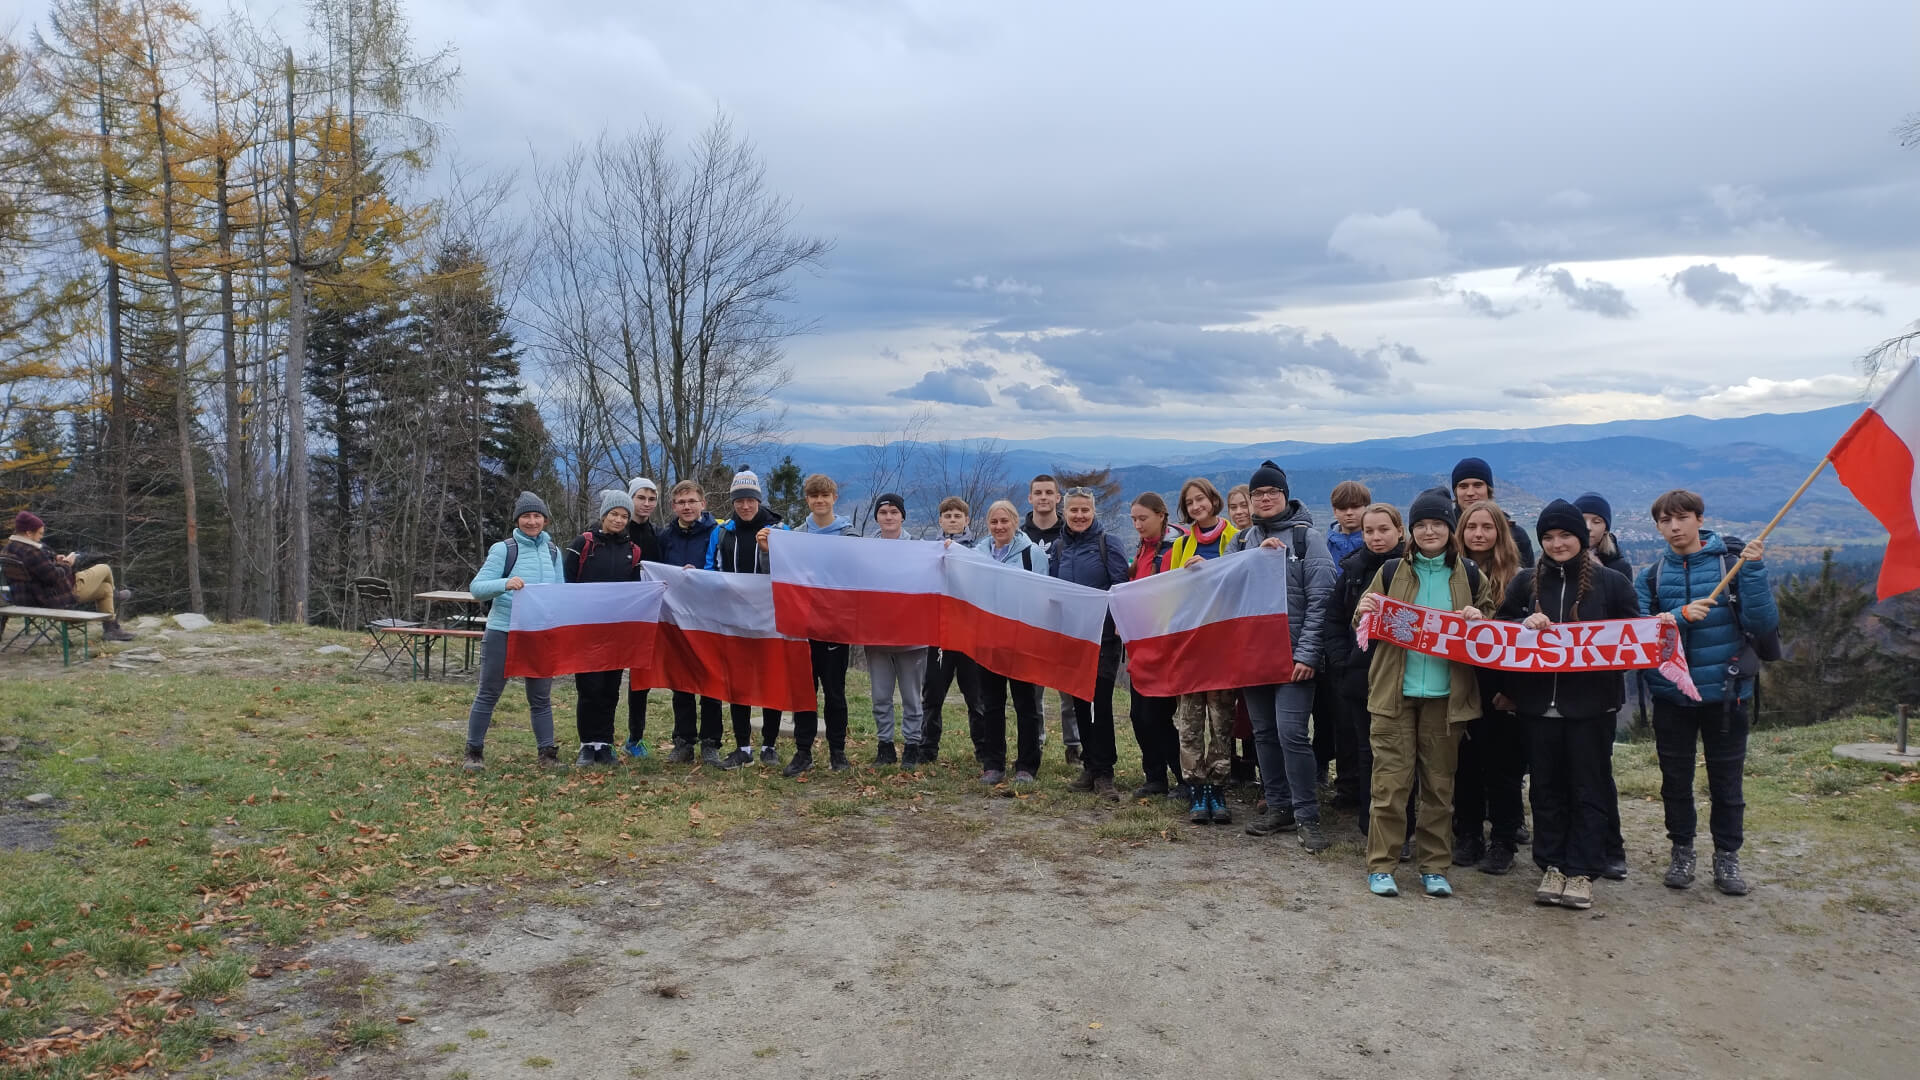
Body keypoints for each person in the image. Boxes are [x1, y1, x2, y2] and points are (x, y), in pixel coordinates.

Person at [1498, 500, 1642, 911]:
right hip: (1538, 708)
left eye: (1565, 535)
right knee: (1545, 788)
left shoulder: (1611, 583)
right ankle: (1552, 864)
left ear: (1581, 537)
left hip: (1591, 709)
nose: (1557, 543)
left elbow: (1631, 640)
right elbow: (1502, 634)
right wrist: (1523, 628)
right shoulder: (1526, 582)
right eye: (1548, 537)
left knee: (1588, 787)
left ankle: (1582, 870)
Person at [1352, 487, 1496, 898]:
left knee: (1439, 788)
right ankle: (1382, 864)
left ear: (1450, 530)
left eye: (1437, 524)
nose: (1430, 530)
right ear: (1411, 531)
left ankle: (1435, 867)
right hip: (1393, 693)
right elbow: (1361, 619)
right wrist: (1364, 611)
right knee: (1390, 786)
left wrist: (1476, 617)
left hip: (1446, 697)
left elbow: (1489, 625)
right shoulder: (1389, 571)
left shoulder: (1469, 575)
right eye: (1421, 525)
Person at [1635, 489, 1777, 897]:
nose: (1674, 527)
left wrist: (1752, 571)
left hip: (1725, 693)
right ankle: (1682, 851)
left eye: (1682, 517)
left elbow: (1763, 622)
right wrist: (1679, 616)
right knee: (1675, 780)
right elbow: (1640, 634)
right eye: (1665, 520)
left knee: (1726, 783)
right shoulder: (1651, 577)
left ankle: (1727, 856)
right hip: (1671, 696)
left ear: (1700, 518)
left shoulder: (1730, 566)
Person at [1218, 461, 1336, 853]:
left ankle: (1307, 814)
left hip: (1293, 659)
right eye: (1258, 494)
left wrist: (1308, 655)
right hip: (1255, 657)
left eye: (1272, 492)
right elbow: (1225, 592)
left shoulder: (1307, 540)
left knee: (1292, 735)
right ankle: (1279, 805)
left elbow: (1322, 602)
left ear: (1285, 496)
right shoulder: (1241, 542)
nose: (1265, 499)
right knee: (1264, 734)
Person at [463, 491, 565, 771]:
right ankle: (474, 752)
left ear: (545, 519)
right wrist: (505, 583)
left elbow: (560, 592)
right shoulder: (504, 549)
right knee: (488, 693)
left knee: (541, 698)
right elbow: (477, 588)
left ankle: (547, 754)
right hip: (503, 630)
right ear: (517, 519)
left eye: (537, 516)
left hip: (539, 634)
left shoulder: (553, 551)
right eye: (526, 516)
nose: (532, 522)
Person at [1452, 500, 1528, 874]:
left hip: (1499, 690)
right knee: (1463, 764)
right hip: (1457, 685)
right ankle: (1467, 834)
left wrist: (1511, 690)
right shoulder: (1450, 575)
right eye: (1471, 527)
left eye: (1486, 527)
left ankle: (1503, 840)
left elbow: (1525, 644)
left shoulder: (1521, 579)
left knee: (1502, 768)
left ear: (1500, 533)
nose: (1478, 534)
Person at [1325, 502, 1404, 831]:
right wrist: (1343, 662)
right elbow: (1334, 619)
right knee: (1366, 748)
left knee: (1400, 751)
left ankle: (1401, 821)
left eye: (1384, 530)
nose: (1376, 537)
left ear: (1400, 531)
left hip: (1403, 677)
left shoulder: (1413, 570)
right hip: (1360, 676)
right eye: (1369, 531)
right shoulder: (1353, 570)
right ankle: (1369, 820)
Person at [1048, 486, 1129, 798]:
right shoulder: (1058, 548)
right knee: (1080, 701)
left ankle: (1105, 771)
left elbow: (1121, 589)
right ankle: (1089, 766)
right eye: (1074, 510)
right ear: (1064, 513)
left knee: (1101, 703)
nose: (1079, 515)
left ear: (1093, 512)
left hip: (1104, 639)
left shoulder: (1108, 544)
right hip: (1073, 637)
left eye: (1085, 510)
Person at [705, 469, 788, 770]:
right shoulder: (723, 531)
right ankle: (743, 747)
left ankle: (769, 745)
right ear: (734, 502)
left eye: (750, 500)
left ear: (758, 500)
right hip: (735, 619)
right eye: (739, 501)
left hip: (770, 619)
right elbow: (710, 569)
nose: (745, 506)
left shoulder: (779, 529)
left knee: (770, 679)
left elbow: (789, 570)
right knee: (738, 683)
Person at [1170, 479, 1239, 824]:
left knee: (1221, 719)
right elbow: (1171, 593)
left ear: (1213, 501)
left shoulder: (1238, 538)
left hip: (1224, 644)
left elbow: (1243, 584)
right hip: (1191, 646)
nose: (1197, 506)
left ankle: (1218, 785)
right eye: (1190, 503)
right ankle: (1196, 786)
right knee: (1190, 721)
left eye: (1201, 500)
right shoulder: (1181, 544)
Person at [966, 499, 1049, 786]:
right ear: (987, 524)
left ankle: (1027, 765)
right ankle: (993, 764)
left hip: (1022, 641)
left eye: (1004, 521)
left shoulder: (1033, 555)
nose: (999, 527)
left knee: (1026, 705)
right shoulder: (977, 554)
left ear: (1015, 522)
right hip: (988, 640)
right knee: (991, 704)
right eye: (994, 522)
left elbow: (1042, 596)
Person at [1573, 490, 1632, 880]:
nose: (1590, 527)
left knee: (1598, 772)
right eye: (1584, 521)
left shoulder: (1618, 570)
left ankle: (1611, 846)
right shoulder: (1548, 572)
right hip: (1560, 688)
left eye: (1596, 521)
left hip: (1600, 688)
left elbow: (1628, 628)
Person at [565, 490, 646, 766]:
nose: (619, 520)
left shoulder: (632, 551)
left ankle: (606, 742)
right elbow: (565, 583)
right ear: (604, 515)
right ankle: (588, 744)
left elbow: (637, 590)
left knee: (611, 688)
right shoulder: (583, 543)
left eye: (624, 516)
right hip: (586, 629)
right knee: (589, 687)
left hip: (616, 632)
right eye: (614, 514)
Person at [784, 474, 856, 776]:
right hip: (803, 625)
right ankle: (803, 752)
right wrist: (767, 549)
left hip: (836, 625)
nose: (820, 501)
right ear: (807, 500)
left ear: (834, 498)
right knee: (804, 691)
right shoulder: (795, 535)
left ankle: (837, 752)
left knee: (835, 692)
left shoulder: (849, 536)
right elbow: (779, 572)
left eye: (825, 495)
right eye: (814, 496)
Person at [1126, 492, 1188, 800]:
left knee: (1157, 715)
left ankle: (1183, 777)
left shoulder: (1176, 548)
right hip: (1142, 646)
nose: (1138, 524)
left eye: (1143, 518)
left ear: (1161, 515)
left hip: (1167, 646)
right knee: (1138, 715)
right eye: (1134, 519)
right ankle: (1154, 776)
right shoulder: (1142, 549)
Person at [658, 479, 724, 767]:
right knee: (681, 681)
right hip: (676, 619)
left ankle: (711, 743)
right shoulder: (665, 537)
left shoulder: (718, 534)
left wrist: (700, 575)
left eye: (692, 501)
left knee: (711, 680)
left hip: (710, 617)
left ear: (703, 504)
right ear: (673, 506)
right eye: (681, 502)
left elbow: (724, 572)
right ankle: (683, 742)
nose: (687, 507)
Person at [1317, 480, 1374, 802]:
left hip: (1366, 639)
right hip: (1337, 636)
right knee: (1339, 718)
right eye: (1342, 507)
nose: (1349, 513)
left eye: (1355, 506)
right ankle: (1347, 782)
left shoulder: (1374, 543)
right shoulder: (1325, 543)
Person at [918, 496, 984, 766]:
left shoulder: (979, 552)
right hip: (940, 635)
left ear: (967, 520)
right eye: (948, 516)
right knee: (933, 694)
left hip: (969, 635)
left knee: (976, 697)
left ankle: (983, 750)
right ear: (940, 520)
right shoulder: (929, 551)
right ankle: (927, 749)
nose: (953, 520)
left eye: (958, 515)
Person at [865, 492, 929, 766]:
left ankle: (913, 745)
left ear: (903, 515)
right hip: (876, 635)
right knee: (880, 696)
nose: (889, 517)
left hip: (912, 637)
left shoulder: (921, 548)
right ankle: (885, 745)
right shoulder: (866, 550)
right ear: (877, 517)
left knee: (912, 697)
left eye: (894, 512)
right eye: (883, 512)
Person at [3, 511, 136, 641]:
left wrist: (55, 559)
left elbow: (38, 569)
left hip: (29, 599)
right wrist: (67, 564)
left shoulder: (8, 549)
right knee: (105, 568)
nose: (41, 537)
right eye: (39, 533)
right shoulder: (31, 552)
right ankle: (115, 597)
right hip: (55, 597)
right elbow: (53, 576)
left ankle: (112, 629)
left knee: (105, 588)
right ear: (28, 533)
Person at [1021, 474, 1078, 767]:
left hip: (1065, 620)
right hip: (1031, 622)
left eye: (1049, 493)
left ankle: (1075, 747)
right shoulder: (1018, 536)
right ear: (1029, 498)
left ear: (1058, 498)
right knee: (1033, 691)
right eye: (1037, 492)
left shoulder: (1071, 534)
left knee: (1069, 689)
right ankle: (1036, 743)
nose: (1043, 497)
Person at [622, 477, 666, 759]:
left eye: (652, 499)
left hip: (647, 614)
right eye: (641, 498)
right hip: (616, 613)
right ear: (630, 498)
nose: (647, 504)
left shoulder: (657, 535)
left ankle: (635, 738)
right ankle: (595, 740)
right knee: (606, 678)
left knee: (641, 679)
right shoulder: (615, 527)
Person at [1223, 482, 1256, 782]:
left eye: (1244, 505)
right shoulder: (1233, 542)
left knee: (1253, 705)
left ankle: (1256, 764)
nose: (1239, 512)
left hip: (1258, 632)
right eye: (1233, 507)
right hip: (1233, 634)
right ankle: (1240, 767)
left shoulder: (1261, 541)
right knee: (1236, 702)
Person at [1451, 457, 1535, 567]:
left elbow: (1528, 579)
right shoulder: (1446, 531)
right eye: (1463, 486)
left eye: (1477, 485)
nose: (1470, 492)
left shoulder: (1516, 535)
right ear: (1456, 492)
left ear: (1488, 489)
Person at [1576, 491, 1631, 578]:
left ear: (1606, 529)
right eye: (1582, 520)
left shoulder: (1621, 568)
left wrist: (1601, 573)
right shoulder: (1558, 559)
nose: (1588, 527)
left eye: (1596, 522)